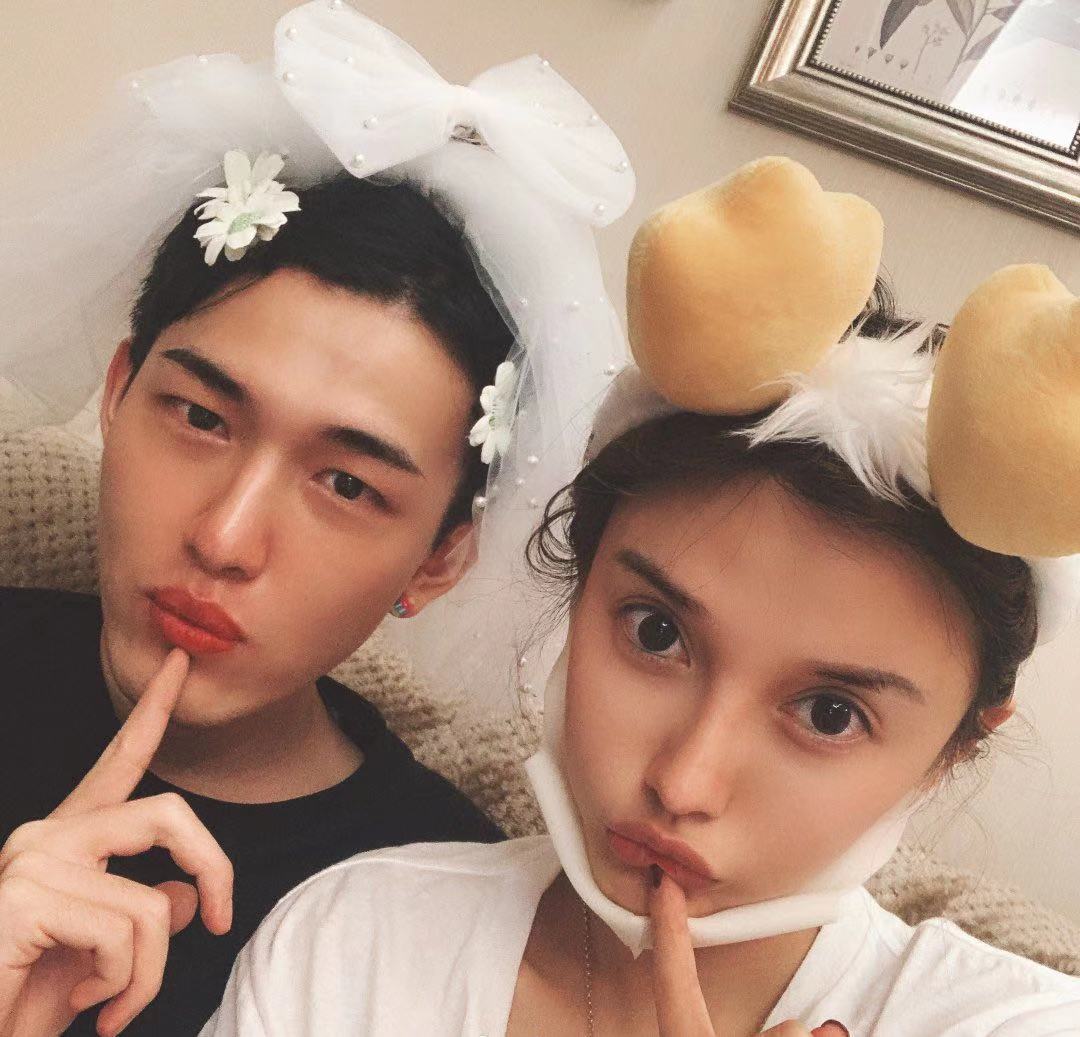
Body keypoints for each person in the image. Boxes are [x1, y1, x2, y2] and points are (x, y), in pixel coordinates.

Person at [200, 157, 1080, 1036]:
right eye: (657, 633)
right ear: (582, 592)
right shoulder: (351, 943)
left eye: (829, 713)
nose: (683, 782)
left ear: (954, 750)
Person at [0, 4, 634, 1036]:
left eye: (345, 484)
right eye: (201, 417)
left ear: (439, 559)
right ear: (116, 393)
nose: (224, 537)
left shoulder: (443, 918)